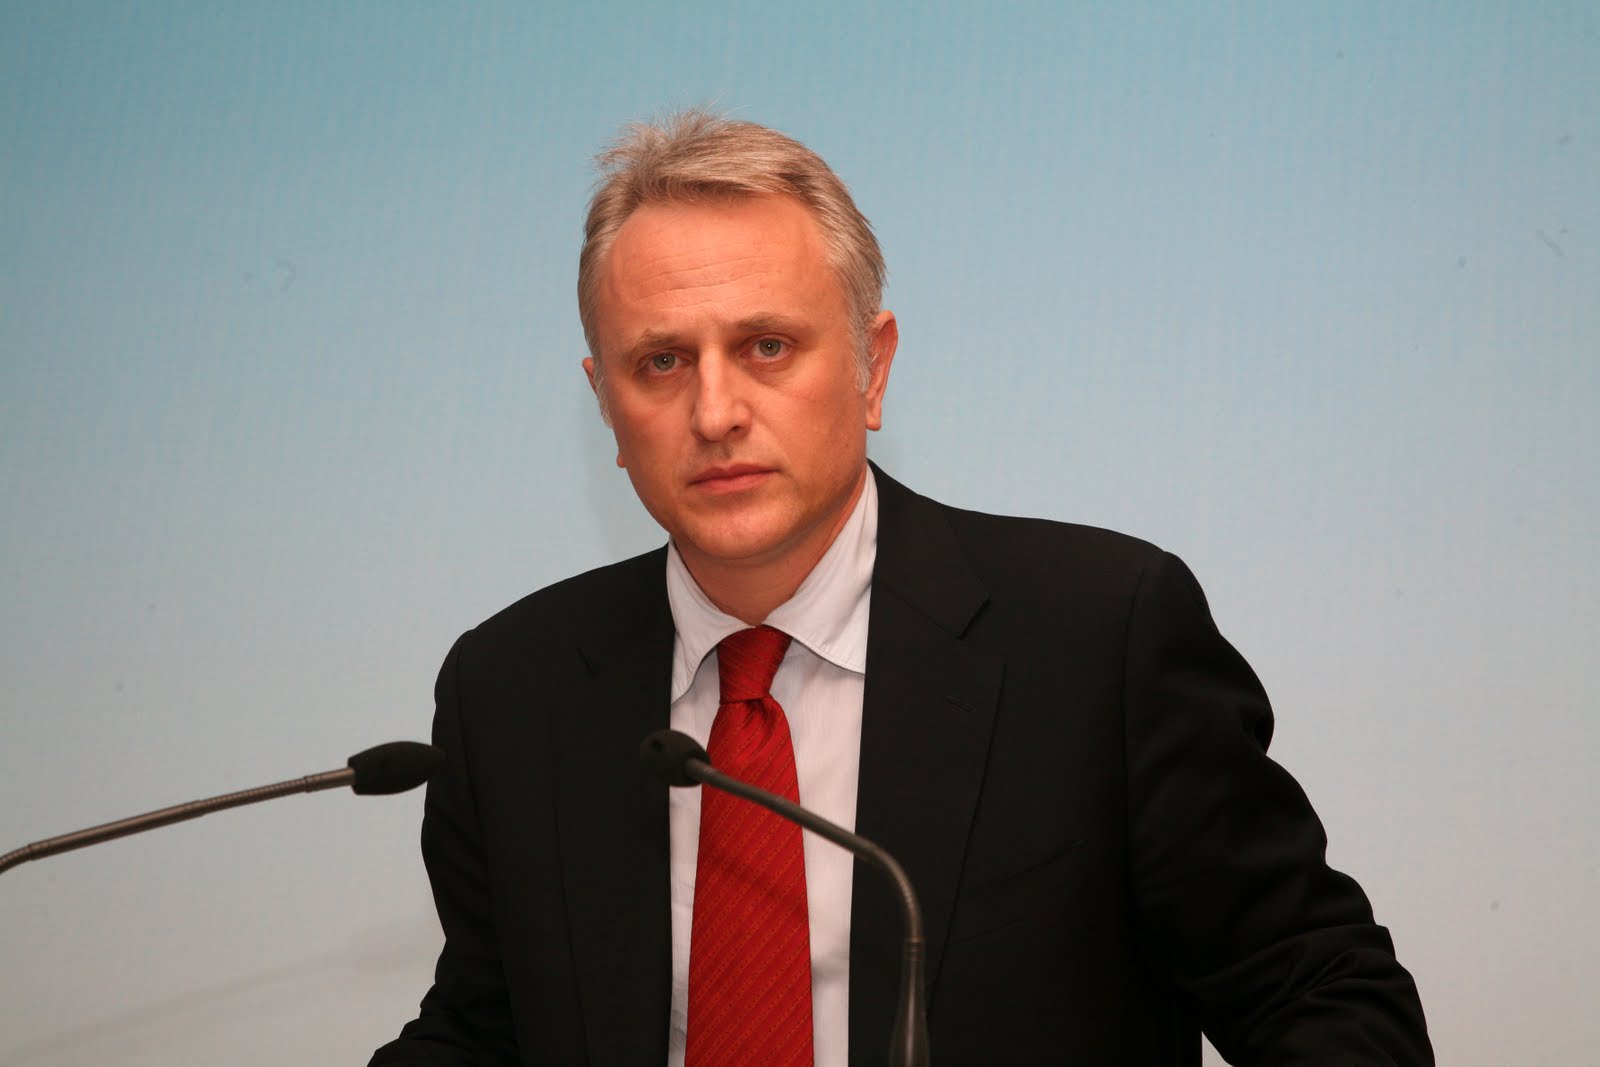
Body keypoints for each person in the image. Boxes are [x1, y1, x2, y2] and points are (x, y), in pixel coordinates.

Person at [371, 111, 1431, 1066]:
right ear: (605, 402)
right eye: (661, 362)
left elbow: (1326, 998)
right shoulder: (512, 688)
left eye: (767, 346)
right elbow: (486, 1029)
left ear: (872, 368)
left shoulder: (1097, 638)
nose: (715, 411)